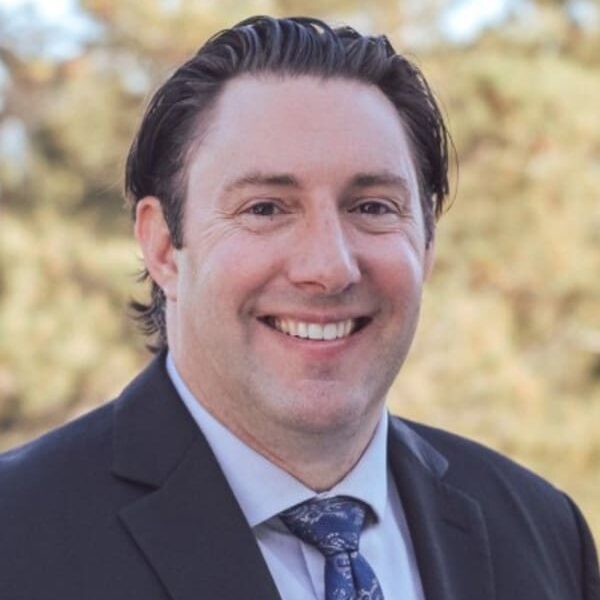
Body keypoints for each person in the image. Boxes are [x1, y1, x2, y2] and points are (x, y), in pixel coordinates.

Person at [0, 15, 598, 600]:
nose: (329, 267)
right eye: (265, 208)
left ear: (427, 242)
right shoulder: (17, 537)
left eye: (372, 207)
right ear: (162, 247)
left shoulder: (542, 534)